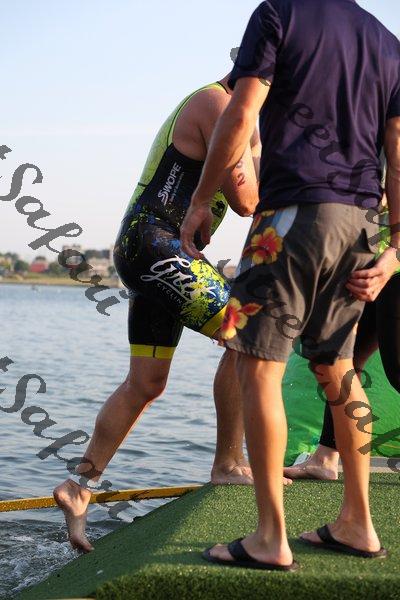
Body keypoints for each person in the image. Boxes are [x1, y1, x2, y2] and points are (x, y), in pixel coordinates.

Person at [181, 0, 400, 570]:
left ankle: (269, 538)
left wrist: (201, 198)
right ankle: (357, 523)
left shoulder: (279, 13)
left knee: (256, 365)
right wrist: (396, 248)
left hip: (291, 215)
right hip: (360, 225)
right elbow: (398, 152)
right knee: (338, 367)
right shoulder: (387, 41)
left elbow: (240, 112)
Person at [53, 74, 283, 553]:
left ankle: (79, 487)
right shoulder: (218, 105)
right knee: (249, 332)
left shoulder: (243, 116)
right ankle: (227, 463)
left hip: (151, 248)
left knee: (146, 383)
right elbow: (247, 201)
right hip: (158, 245)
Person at [285, 210, 400, 481]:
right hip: (374, 268)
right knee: (342, 361)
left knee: (396, 370)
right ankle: (325, 457)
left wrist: (393, 252)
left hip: (390, 269)